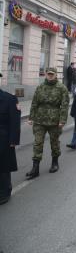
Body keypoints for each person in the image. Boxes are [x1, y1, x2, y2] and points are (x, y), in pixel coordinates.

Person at [26, 67, 69, 179]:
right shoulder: (40, 87)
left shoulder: (61, 88)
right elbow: (34, 103)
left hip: (54, 120)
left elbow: (64, 105)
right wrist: (31, 117)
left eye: (52, 74)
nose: (50, 76)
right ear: (45, 74)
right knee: (37, 143)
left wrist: (62, 120)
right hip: (39, 120)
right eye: (48, 74)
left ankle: (55, 162)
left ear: (55, 75)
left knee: (54, 143)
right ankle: (35, 168)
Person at [0, 73, 21, 205]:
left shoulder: (9, 99)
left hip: (3, 139)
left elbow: (15, 122)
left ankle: (5, 191)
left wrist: (13, 140)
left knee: (3, 168)